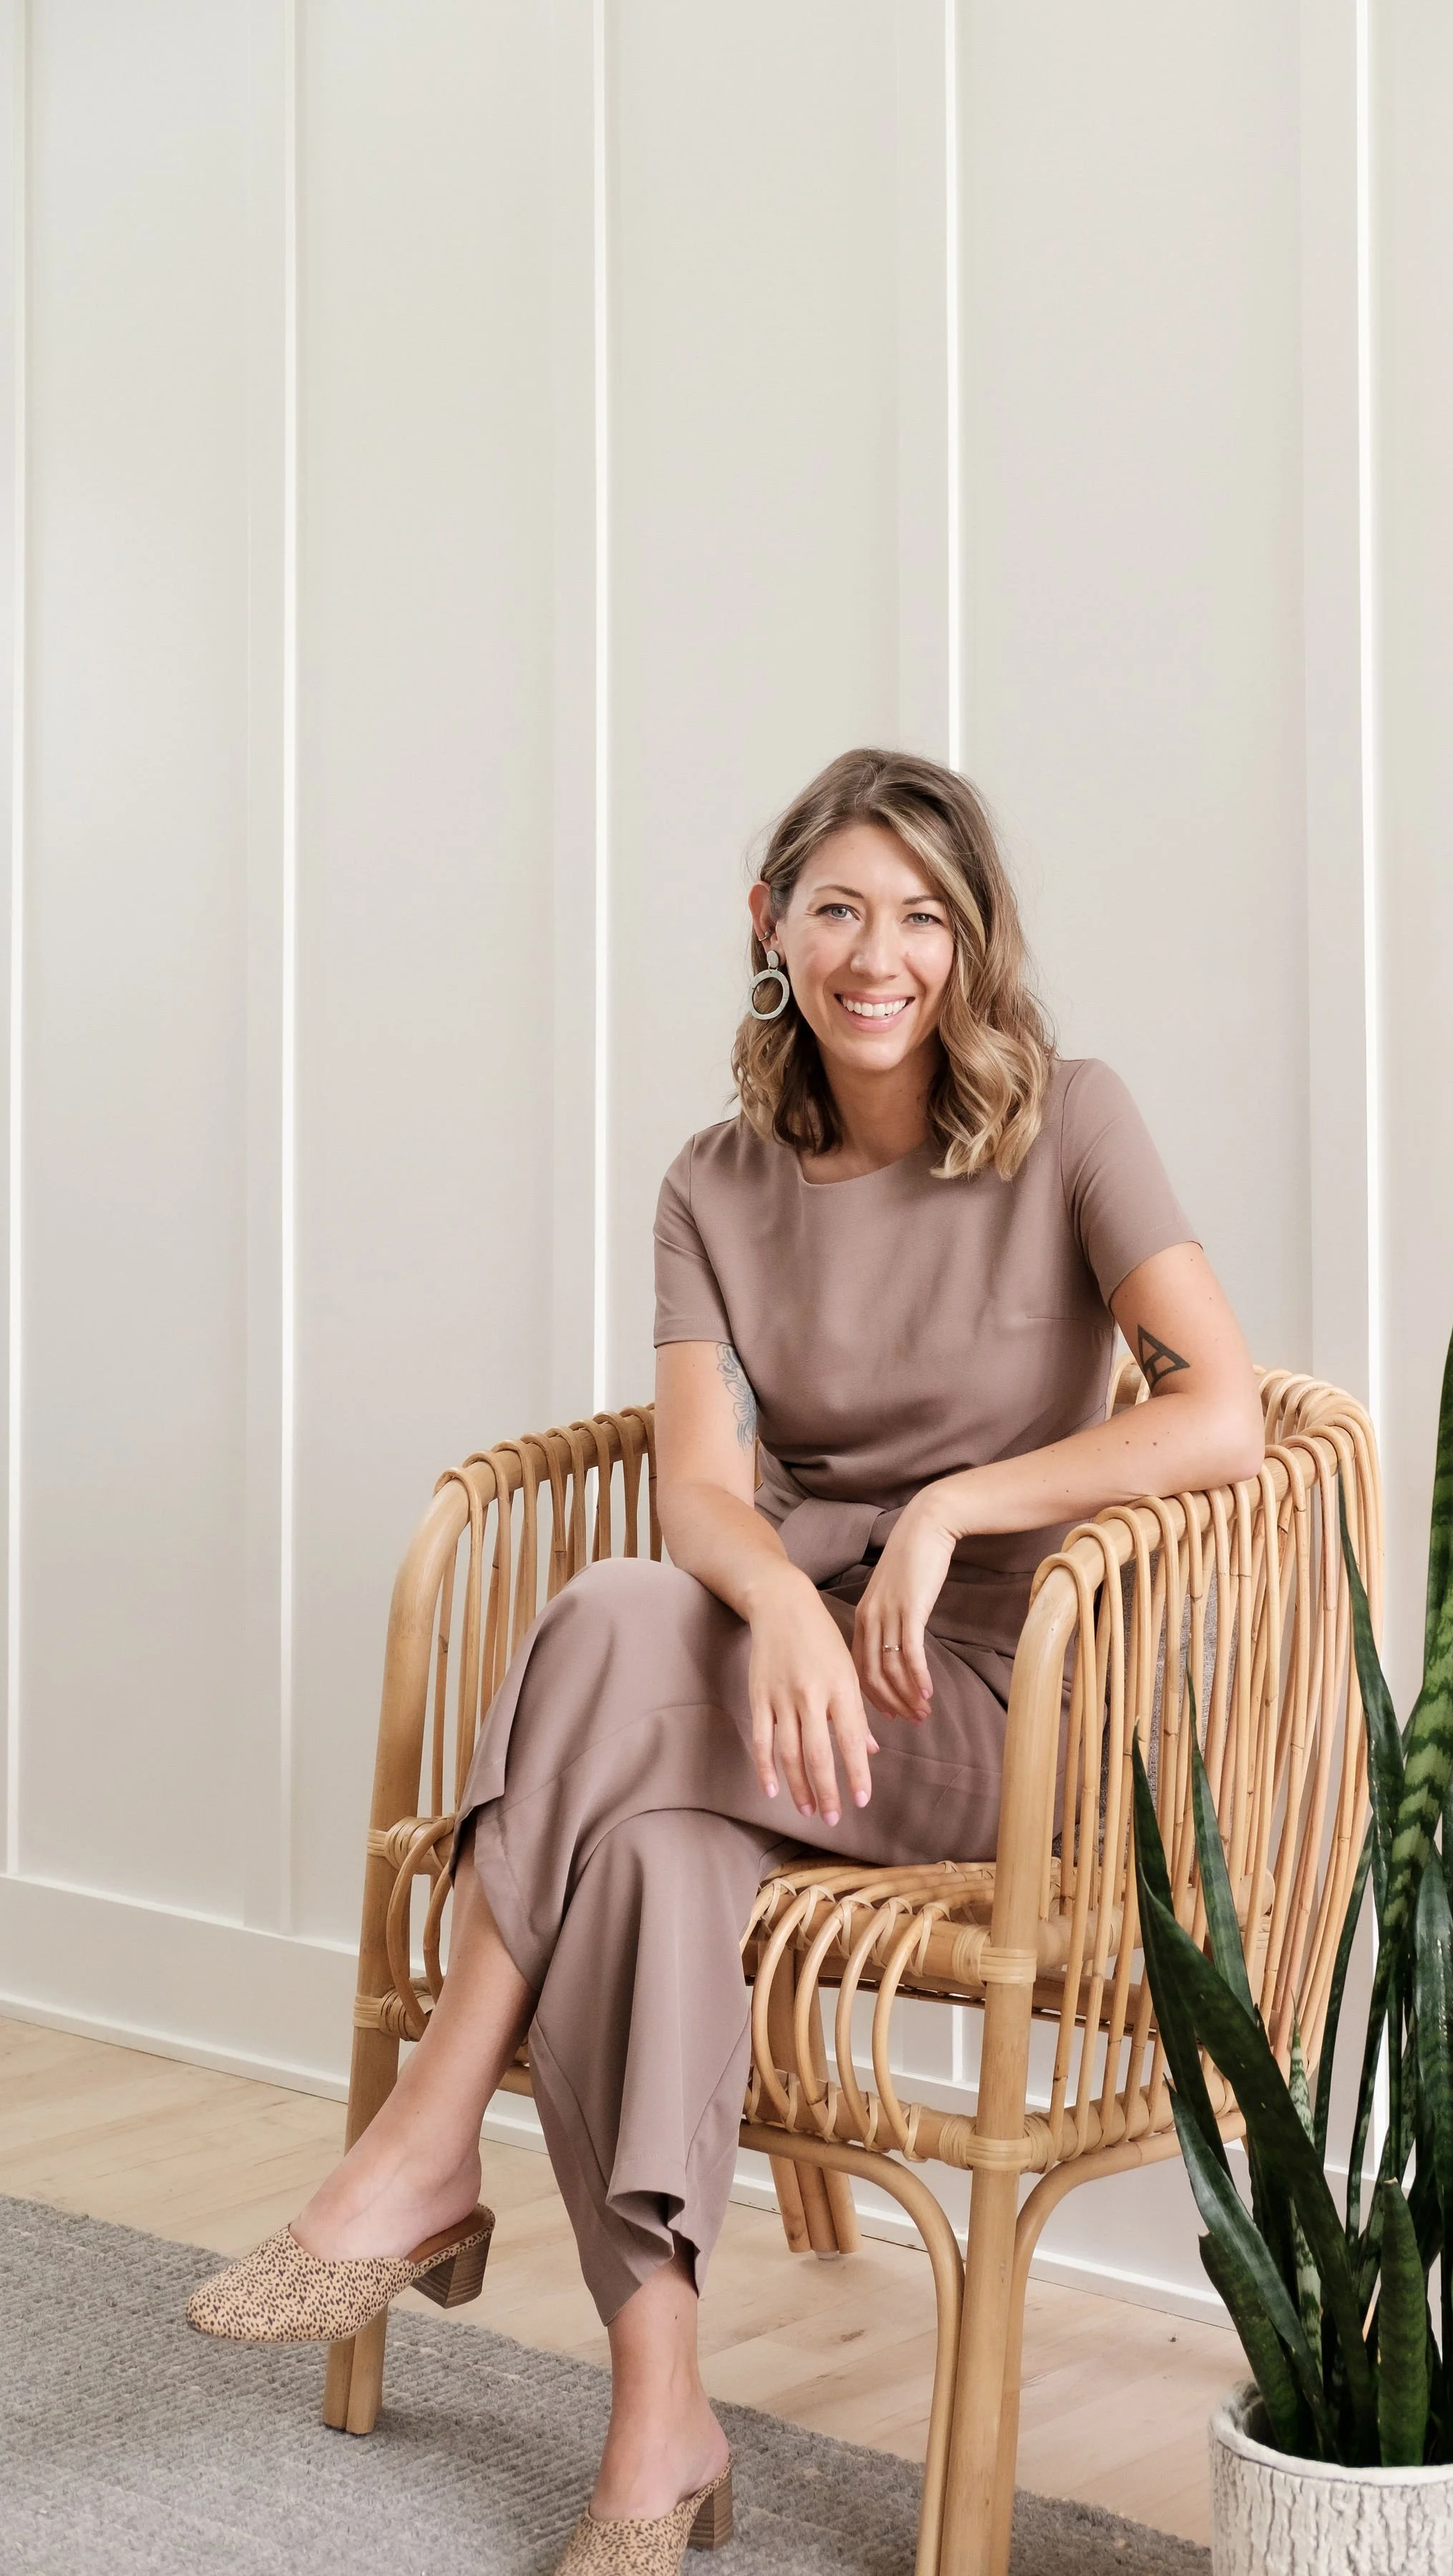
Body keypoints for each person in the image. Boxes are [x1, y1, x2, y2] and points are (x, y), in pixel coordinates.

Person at [186, 748, 1263, 2573]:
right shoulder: (716, 1180)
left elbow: (1228, 1413)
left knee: (603, 1623)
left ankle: (432, 2134)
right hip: (763, 1694)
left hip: (974, 1706)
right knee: (646, 1845)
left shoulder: (1075, 1119)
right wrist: (774, 1603)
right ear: (769, 928)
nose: (879, 954)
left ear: (973, 943)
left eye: (924, 915)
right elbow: (697, 1488)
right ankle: (658, 2420)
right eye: (839, 907)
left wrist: (951, 1513)